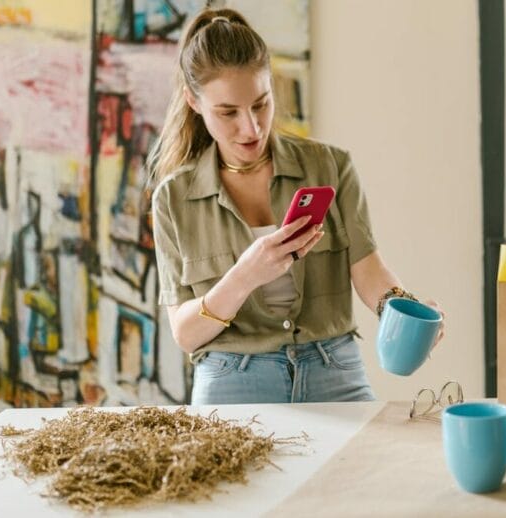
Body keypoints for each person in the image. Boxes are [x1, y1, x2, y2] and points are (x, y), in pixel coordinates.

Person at [149, 8, 445, 405]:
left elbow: (368, 269)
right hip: (232, 378)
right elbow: (185, 333)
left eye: (261, 103)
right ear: (194, 101)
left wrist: (404, 310)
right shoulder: (173, 198)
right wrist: (246, 275)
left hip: (333, 369)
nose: (251, 127)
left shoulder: (330, 166)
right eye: (228, 112)